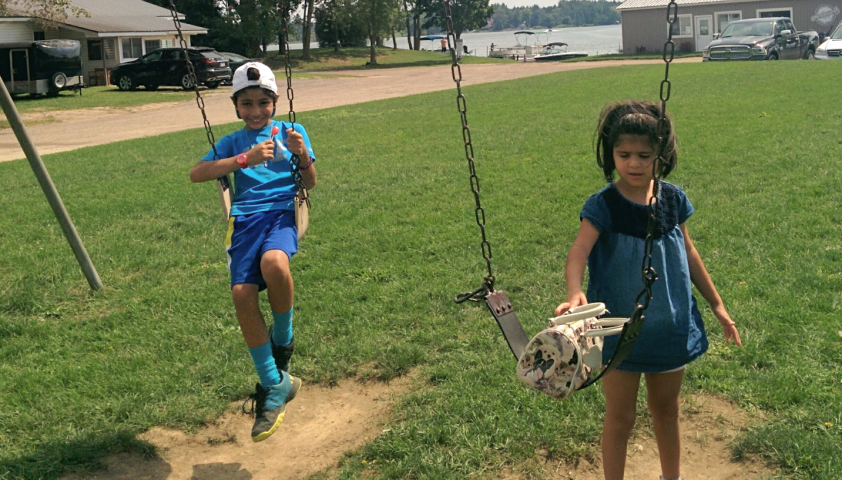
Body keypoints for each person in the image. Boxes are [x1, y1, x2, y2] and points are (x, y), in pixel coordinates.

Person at [554, 100, 741, 480]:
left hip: (670, 329)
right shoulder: (603, 205)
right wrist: (574, 290)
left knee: (667, 411)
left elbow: (689, 252)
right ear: (611, 154)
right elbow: (579, 250)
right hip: (618, 333)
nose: (634, 164)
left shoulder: (672, 199)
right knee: (620, 417)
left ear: (662, 154)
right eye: (624, 154)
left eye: (645, 155)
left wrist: (718, 305)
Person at [189, 62, 317, 443]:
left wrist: (302, 155)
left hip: (282, 213)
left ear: (275, 101)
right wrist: (245, 159)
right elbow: (197, 173)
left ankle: (284, 339)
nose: (256, 110)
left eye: (263, 102)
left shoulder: (292, 132)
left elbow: (309, 181)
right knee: (241, 293)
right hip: (244, 220)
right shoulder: (232, 141)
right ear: (236, 106)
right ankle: (273, 382)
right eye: (247, 103)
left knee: (274, 262)